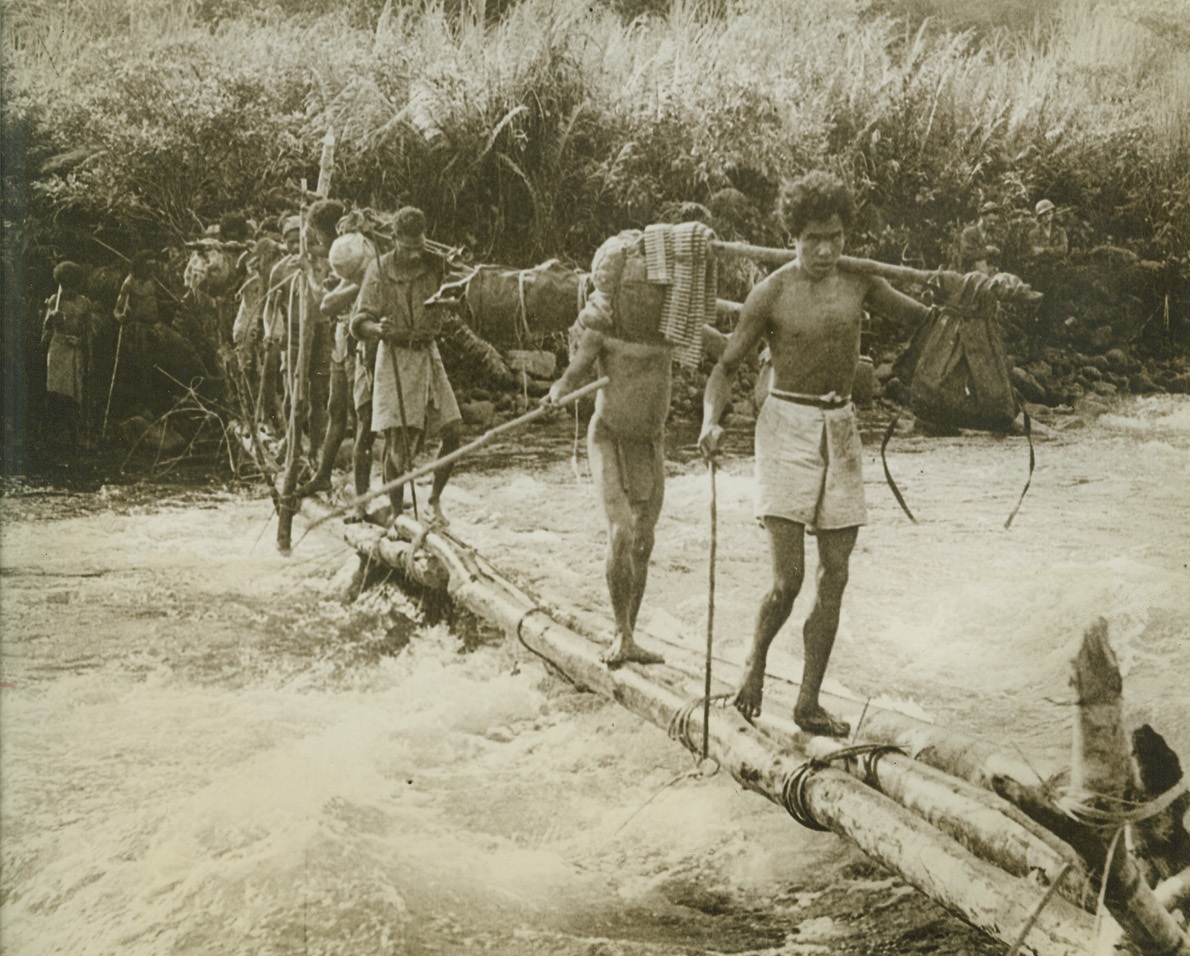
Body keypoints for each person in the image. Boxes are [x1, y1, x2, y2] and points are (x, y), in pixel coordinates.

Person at [698, 171, 960, 736]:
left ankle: (808, 702)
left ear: (846, 235)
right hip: (785, 429)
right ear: (793, 235)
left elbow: (927, 320)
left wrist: (970, 295)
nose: (825, 249)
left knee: (835, 574)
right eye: (813, 237)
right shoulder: (771, 292)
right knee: (786, 582)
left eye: (836, 237)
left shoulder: (862, 281)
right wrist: (710, 422)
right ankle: (755, 663)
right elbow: (725, 367)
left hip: (840, 429)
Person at [544, 222, 716, 666]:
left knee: (644, 540)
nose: (641, 298)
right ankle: (620, 633)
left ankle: (630, 633)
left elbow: (727, 345)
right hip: (608, 437)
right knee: (620, 533)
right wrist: (558, 390)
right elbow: (575, 371)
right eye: (632, 290)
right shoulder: (602, 329)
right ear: (618, 289)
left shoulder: (670, 330)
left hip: (650, 443)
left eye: (647, 290)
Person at [351, 206, 461, 526]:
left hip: (428, 351)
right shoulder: (379, 269)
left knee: (453, 431)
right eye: (408, 247)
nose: (415, 254)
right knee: (397, 446)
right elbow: (358, 322)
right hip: (394, 354)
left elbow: (464, 286)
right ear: (394, 239)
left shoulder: (435, 265)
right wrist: (376, 329)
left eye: (419, 246)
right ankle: (398, 514)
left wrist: (454, 268)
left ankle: (434, 500)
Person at [298, 229, 377, 506]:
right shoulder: (352, 267)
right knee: (336, 411)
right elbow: (329, 303)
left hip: (363, 347)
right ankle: (323, 474)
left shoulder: (371, 271)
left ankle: (363, 495)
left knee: (363, 421)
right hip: (343, 342)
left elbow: (328, 304)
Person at [42, 262, 97, 454]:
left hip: (76, 349)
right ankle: (54, 436)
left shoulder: (84, 303)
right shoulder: (54, 301)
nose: (70, 290)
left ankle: (76, 436)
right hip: (58, 349)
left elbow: (88, 332)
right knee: (57, 391)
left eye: (74, 286)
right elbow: (45, 333)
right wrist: (51, 319)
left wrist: (87, 352)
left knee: (76, 393)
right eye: (66, 286)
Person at [958, 201, 1001, 275]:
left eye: (995, 222)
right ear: (982, 217)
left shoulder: (994, 235)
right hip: (970, 277)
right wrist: (987, 250)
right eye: (990, 221)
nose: (993, 224)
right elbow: (966, 255)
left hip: (990, 276)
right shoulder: (969, 233)